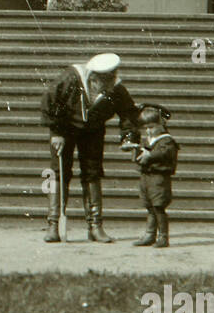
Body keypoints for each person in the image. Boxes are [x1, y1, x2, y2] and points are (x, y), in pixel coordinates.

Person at [39, 52, 139, 243]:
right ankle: (54, 225)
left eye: (109, 81)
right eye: (100, 82)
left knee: (92, 173)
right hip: (65, 129)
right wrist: (56, 133)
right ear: (93, 77)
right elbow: (51, 101)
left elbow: (129, 113)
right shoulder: (70, 78)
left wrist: (128, 138)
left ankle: (95, 226)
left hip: (93, 131)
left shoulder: (116, 89)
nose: (103, 87)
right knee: (60, 172)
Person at [130, 106, 179, 249]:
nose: (148, 131)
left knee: (158, 207)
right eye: (145, 128)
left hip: (159, 178)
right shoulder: (149, 140)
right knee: (150, 207)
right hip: (147, 178)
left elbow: (164, 154)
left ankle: (163, 236)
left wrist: (149, 155)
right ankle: (150, 234)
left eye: (151, 127)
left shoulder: (166, 141)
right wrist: (135, 150)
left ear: (161, 124)